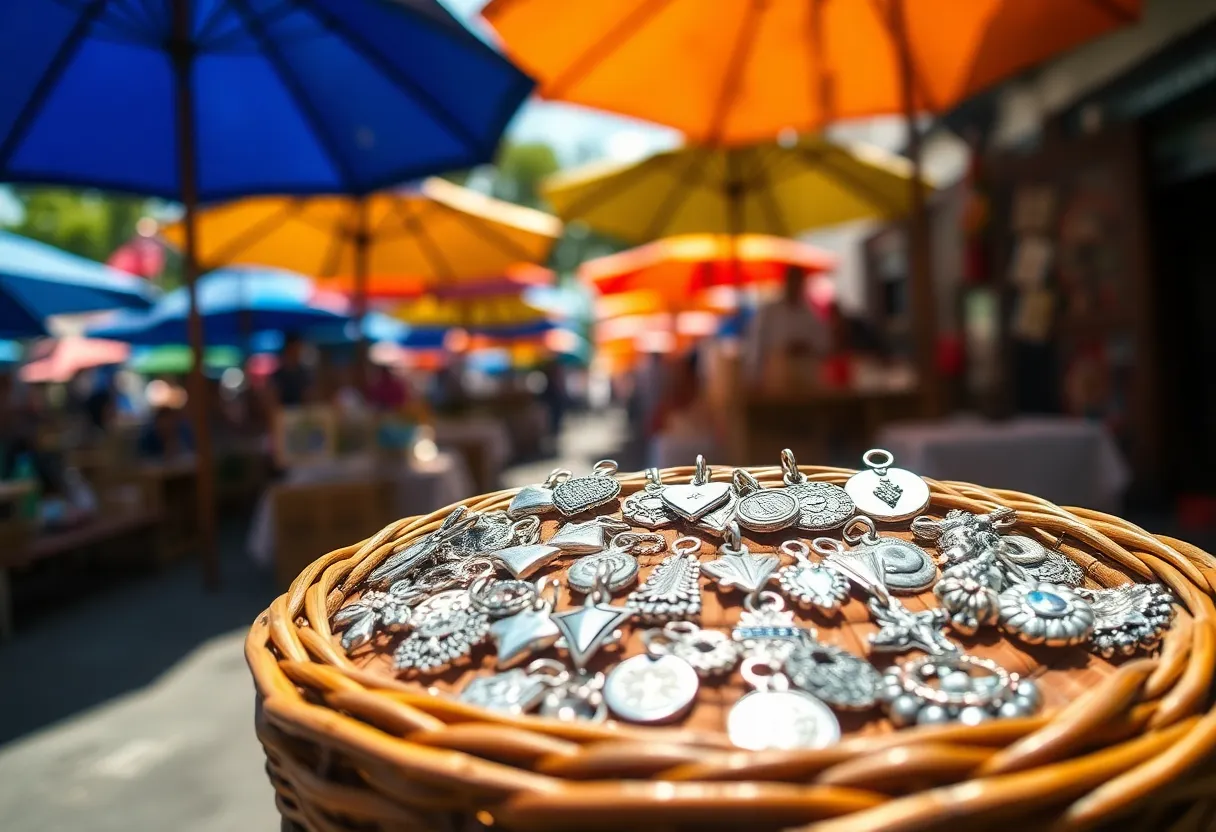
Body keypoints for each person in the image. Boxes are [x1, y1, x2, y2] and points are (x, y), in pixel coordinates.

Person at [743, 265, 832, 387]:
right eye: (792, 280)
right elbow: (757, 346)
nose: (795, 285)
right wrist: (754, 378)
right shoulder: (770, 312)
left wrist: (804, 348)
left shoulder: (810, 315)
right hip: (774, 379)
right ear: (786, 282)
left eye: (798, 281)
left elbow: (824, 345)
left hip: (805, 380)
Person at [270, 332, 312, 408]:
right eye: (294, 349)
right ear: (288, 350)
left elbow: (308, 396)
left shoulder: (304, 374)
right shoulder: (278, 375)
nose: (297, 353)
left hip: (301, 412)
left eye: (299, 349)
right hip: (283, 414)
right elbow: (273, 398)